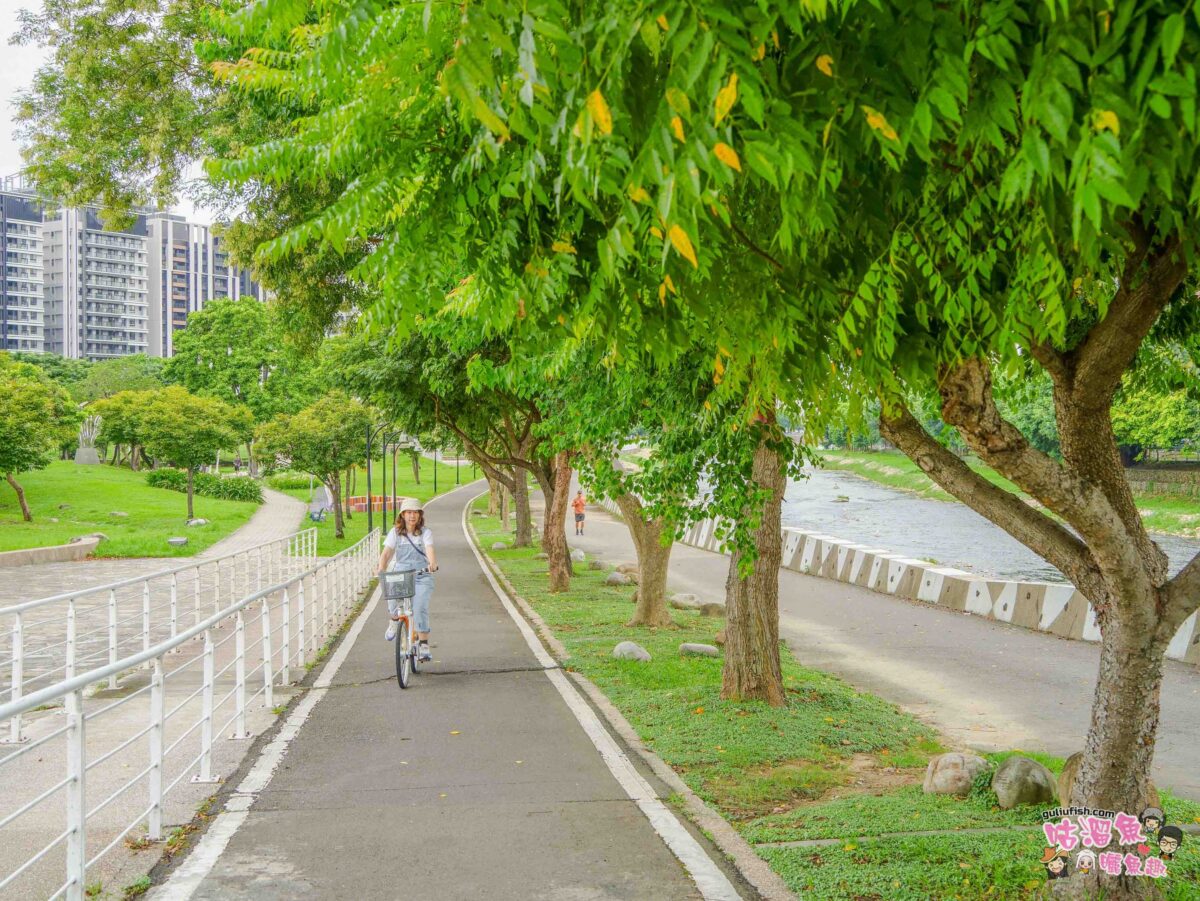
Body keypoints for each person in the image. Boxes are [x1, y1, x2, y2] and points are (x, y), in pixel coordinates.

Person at [377, 497, 438, 661]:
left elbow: (429, 549)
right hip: (401, 573)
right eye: (409, 512)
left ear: (420, 515)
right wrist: (381, 568)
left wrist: (432, 563)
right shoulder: (395, 533)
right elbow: (387, 553)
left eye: (415, 512)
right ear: (402, 515)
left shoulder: (426, 533)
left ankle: (424, 644)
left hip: (421, 573)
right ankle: (394, 621)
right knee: (392, 598)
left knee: (419, 607)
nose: (412, 516)